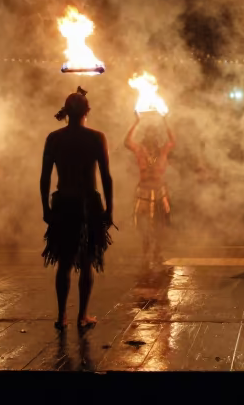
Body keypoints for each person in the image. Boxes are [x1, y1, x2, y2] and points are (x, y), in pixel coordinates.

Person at [40, 87, 113, 331]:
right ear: (87, 112)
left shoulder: (54, 138)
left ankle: (62, 316)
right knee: (86, 260)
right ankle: (82, 315)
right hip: (87, 204)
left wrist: (45, 208)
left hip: (63, 203)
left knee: (64, 262)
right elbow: (106, 177)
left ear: (66, 112)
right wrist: (109, 209)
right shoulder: (96, 137)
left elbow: (44, 178)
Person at [124, 113, 175, 266]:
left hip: (159, 191)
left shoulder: (163, 151)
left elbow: (172, 141)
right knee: (144, 225)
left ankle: (157, 252)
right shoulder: (139, 150)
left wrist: (166, 121)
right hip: (144, 192)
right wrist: (136, 122)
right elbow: (127, 142)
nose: (151, 138)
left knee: (160, 224)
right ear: (145, 138)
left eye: (154, 135)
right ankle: (146, 254)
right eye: (148, 135)